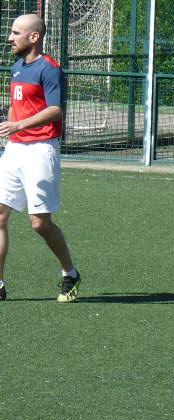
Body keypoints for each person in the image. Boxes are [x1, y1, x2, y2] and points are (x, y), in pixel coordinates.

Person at [0, 14, 80, 302]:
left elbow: (56, 110)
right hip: (14, 149)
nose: (10, 38)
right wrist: (9, 129)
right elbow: (16, 106)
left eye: (15, 33)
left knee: (39, 223)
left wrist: (19, 125)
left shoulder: (50, 69)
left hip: (41, 149)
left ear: (34, 37)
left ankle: (70, 273)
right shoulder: (17, 67)